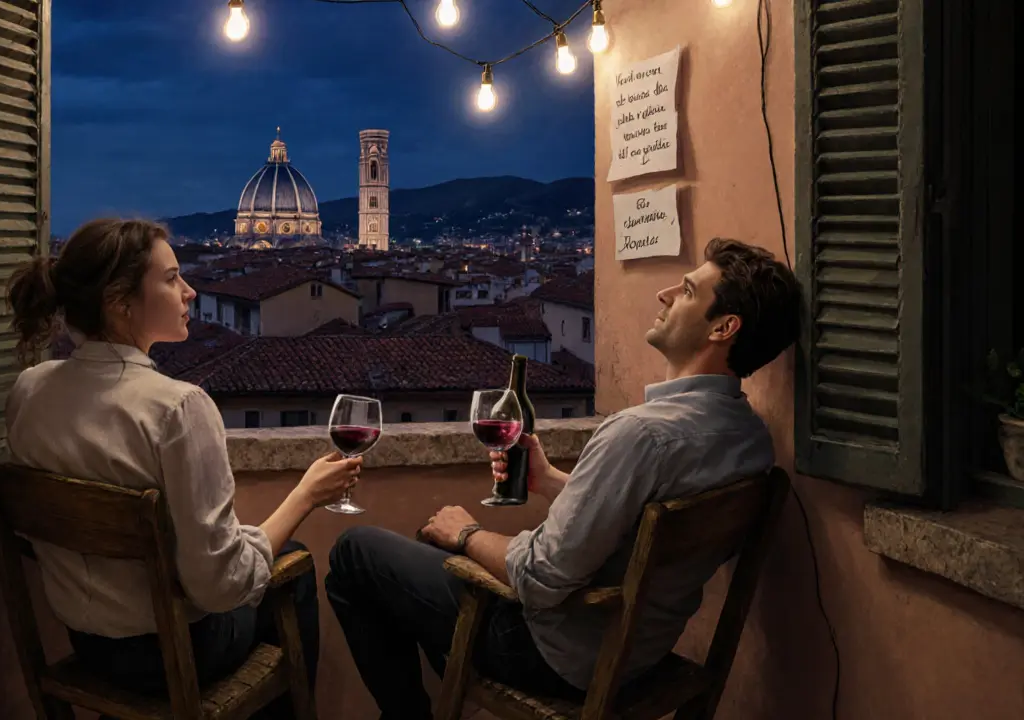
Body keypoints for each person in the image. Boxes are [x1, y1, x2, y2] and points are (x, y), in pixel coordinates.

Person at [325, 238, 803, 719]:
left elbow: (540, 578)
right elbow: (634, 519)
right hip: (642, 652)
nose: (664, 294)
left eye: (686, 291)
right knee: (431, 556)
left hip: (557, 655)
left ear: (723, 327)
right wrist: (552, 480)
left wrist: (466, 533)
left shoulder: (639, 434)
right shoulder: (748, 437)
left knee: (357, 552)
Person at [4, 218, 361, 713]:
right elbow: (220, 587)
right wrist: (305, 495)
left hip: (85, 643)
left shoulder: (30, 389)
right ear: (118, 301)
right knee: (293, 564)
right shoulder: (178, 408)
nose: (190, 291)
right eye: (172, 278)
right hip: (169, 653)